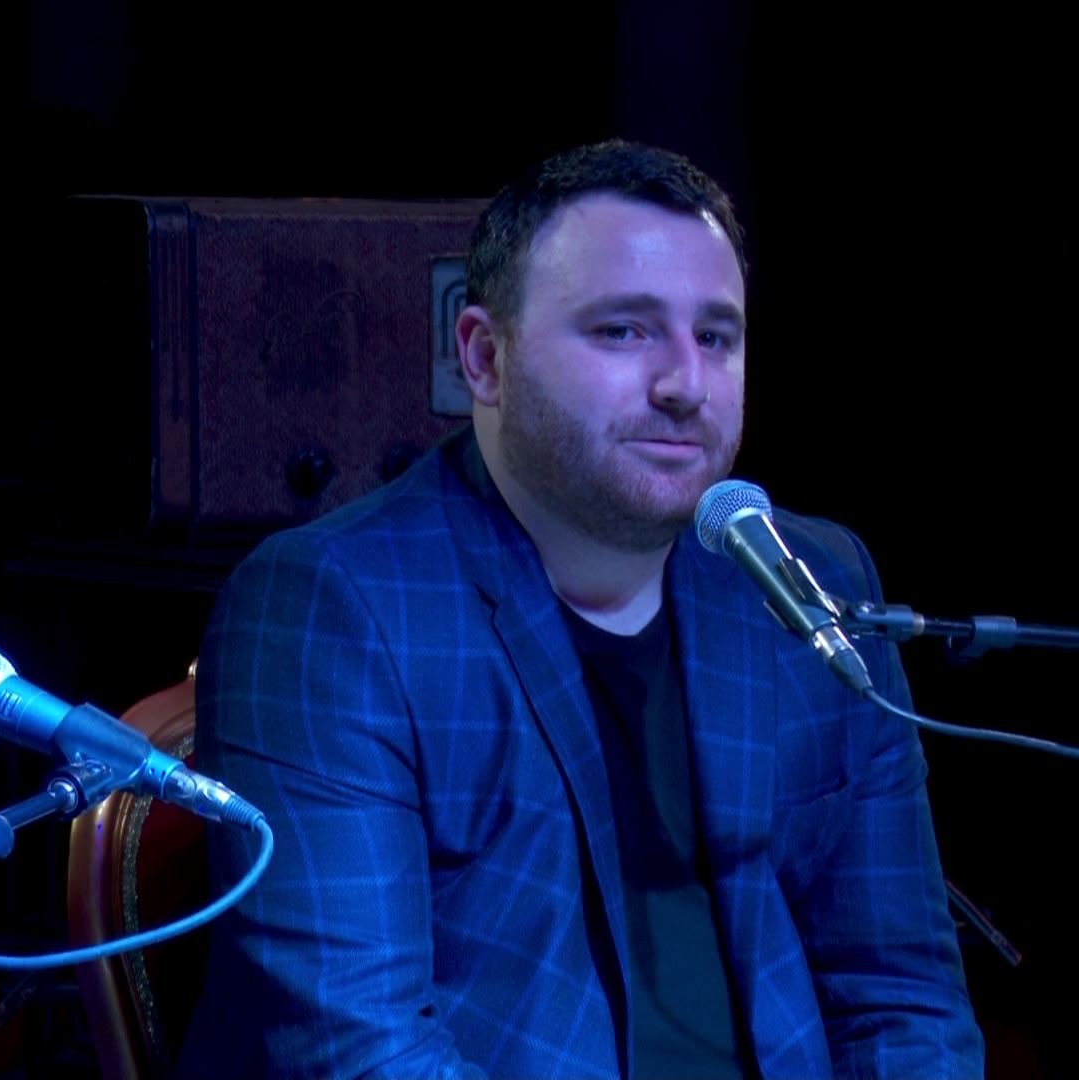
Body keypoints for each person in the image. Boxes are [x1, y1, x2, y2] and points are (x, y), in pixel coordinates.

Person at [180, 140, 982, 1078]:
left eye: (715, 337)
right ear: (485, 357)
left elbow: (903, 999)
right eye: (624, 332)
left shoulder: (810, 582)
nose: (684, 384)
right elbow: (359, 1056)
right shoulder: (328, 609)